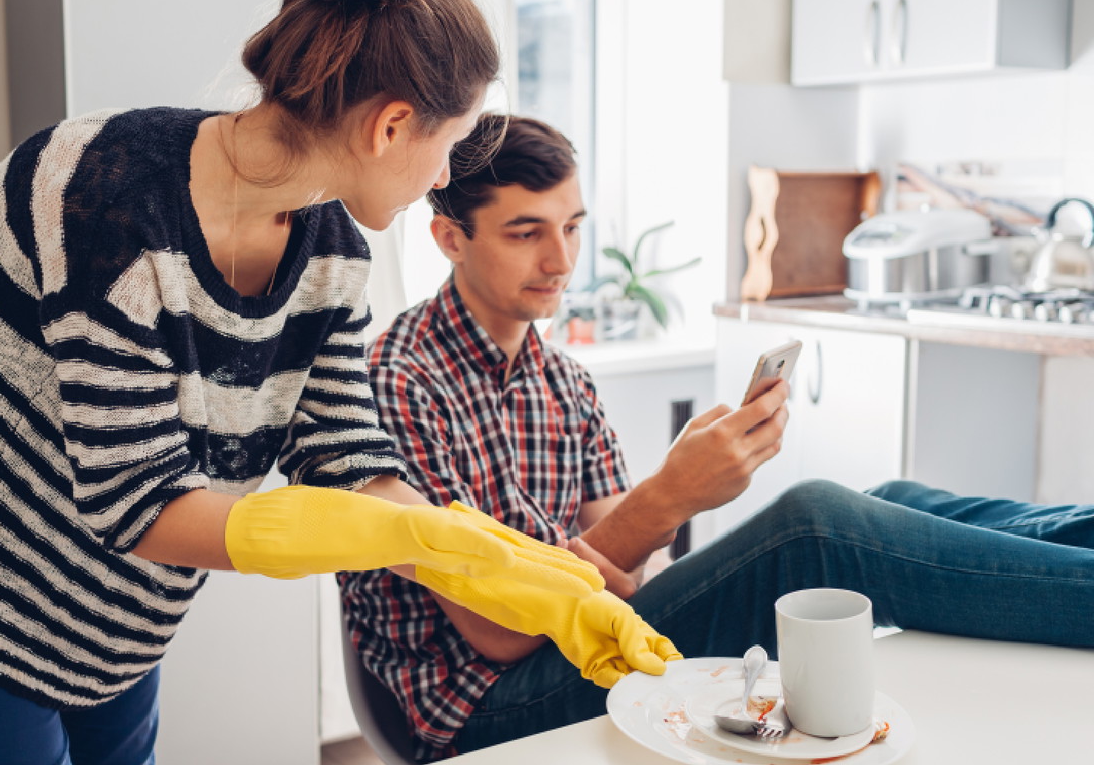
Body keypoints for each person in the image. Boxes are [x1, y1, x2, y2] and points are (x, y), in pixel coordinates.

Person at [0, 0, 680, 764]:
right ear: (392, 126)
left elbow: (349, 464)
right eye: (450, 145)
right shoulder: (101, 197)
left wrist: (523, 576)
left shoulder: (332, 253)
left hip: (117, 624)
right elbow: (136, 503)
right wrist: (408, 536)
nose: (444, 177)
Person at [339, 113, 1094, 760]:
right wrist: (671, 496)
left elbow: (630, 573)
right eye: (525, 232)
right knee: (817, 529)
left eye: (572, 227)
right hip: (482, 706)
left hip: (592, 640)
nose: (561, 260)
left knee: (892, 499)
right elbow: (501, 631)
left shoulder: (562, 380)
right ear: (450, 238)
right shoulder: (399, 379)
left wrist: (659, 509)